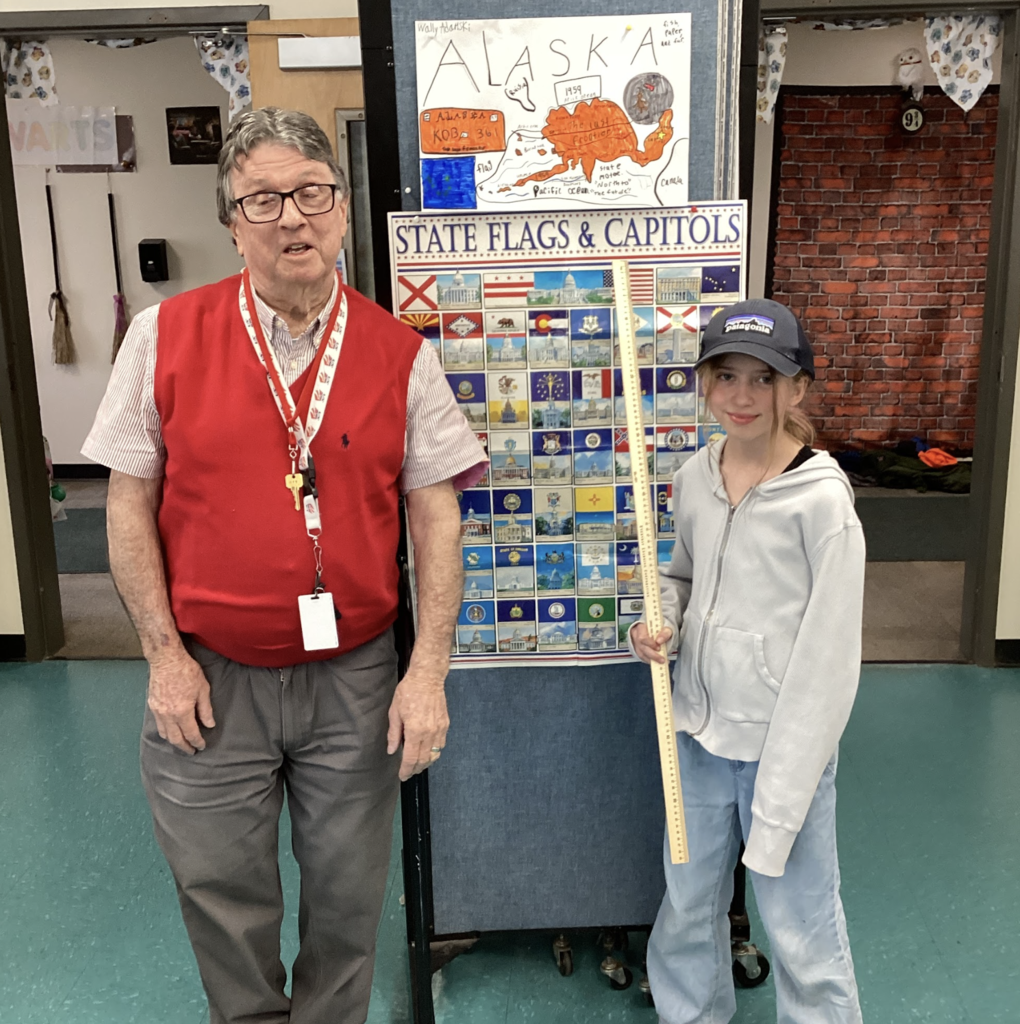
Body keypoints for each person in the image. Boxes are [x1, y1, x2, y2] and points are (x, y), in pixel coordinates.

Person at [82, 107, 487, 1024]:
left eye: (311, 193)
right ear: (231, 221)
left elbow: (436, 515)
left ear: (342, 210)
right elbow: (125, 503)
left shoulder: (399, 355)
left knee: (347, 899)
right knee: (221, 892)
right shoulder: (161, 337)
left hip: (354, 680)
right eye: (263, 199)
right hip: (209, 676)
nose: (291, 218)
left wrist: (427, 674)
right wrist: (161, 657)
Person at [630, 298, 865, 1024]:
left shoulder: (823, 504)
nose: (740, 396)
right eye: (725, 375)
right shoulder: (694, 477)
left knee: (800, 924)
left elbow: (828, 667)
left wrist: (791, 775)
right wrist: (659, 621)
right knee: (688, 904)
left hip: (778, 750)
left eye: (763, 379)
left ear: (797, 389)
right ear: (704, 382)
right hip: (697, 736)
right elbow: (684, 579)